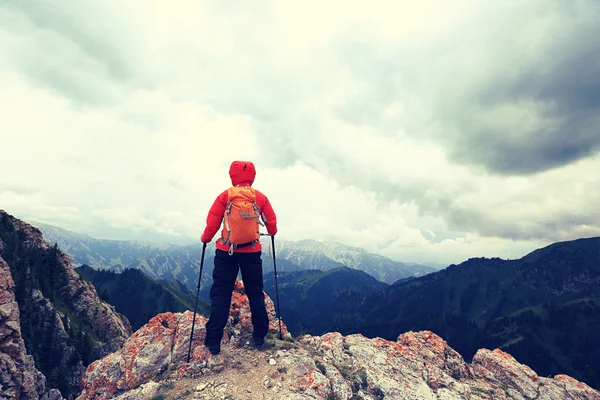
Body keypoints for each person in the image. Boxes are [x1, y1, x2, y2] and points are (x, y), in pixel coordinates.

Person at [200, 160, 278, 356]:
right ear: (252, 176)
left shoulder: (224, 197)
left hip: (226, 252)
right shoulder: (260, 198)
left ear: (232, 176)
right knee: (255, 293)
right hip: (252, 251)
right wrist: (272, 232)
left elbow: (212, 223)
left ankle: (213, 342)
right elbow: (272, 225)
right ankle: (259, 336)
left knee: (221, 294)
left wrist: (205, 238)